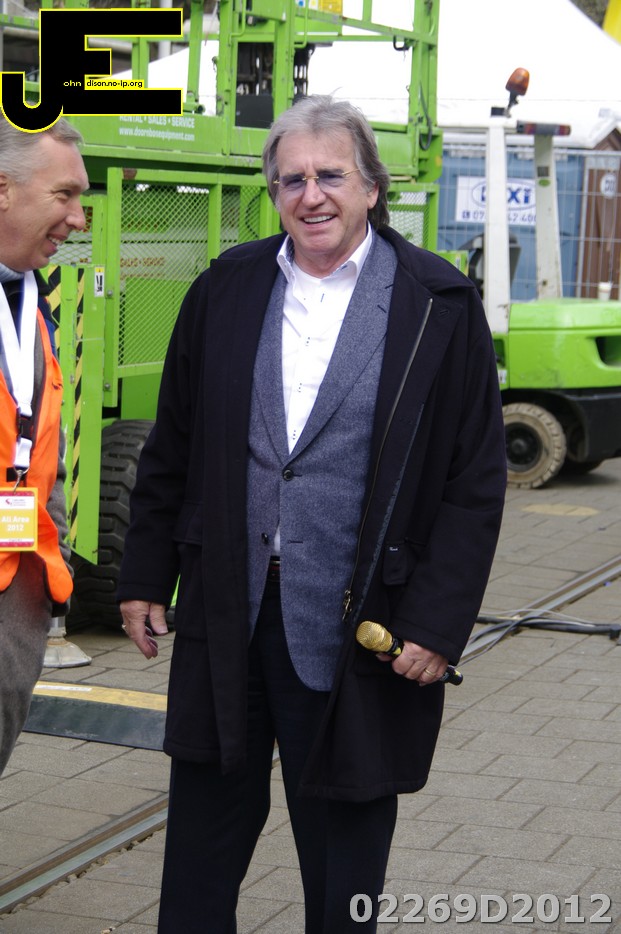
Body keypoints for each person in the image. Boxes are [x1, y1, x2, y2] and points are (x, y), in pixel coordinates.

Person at [118, 94, 507, 933]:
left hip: (358, 619)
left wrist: (436, 623)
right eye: (291, 180)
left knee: (343, 851)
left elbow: (473, 481)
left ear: (371, 186)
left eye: (330, 175)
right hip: (229, 605)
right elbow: (173, 442)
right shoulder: (226, 287)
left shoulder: (437, 303)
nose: (310, 195)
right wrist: (145, 574)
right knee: (203, 836)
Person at [0, 116, 89, 775]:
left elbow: (39, 450)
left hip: (16, 602)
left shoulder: (32, 303)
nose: (78, 219)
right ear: (3, 189)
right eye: (65, 195)